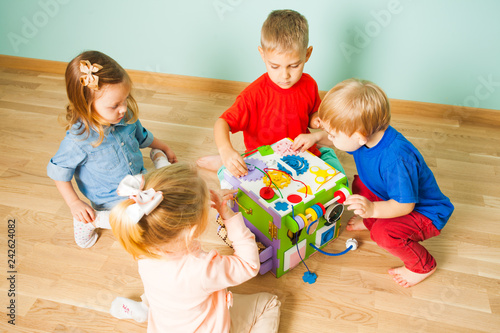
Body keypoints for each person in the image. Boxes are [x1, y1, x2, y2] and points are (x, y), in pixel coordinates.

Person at [108, 163, 281, 333]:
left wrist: (201, 199)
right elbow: (249, 265)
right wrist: (229, 215)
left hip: (165, 324)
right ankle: (144, 308)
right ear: (191, 231)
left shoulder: (144, 246)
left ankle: (144, 309)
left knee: (166, 294)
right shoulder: (202, 268)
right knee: (269, 302)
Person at [318, 78, 454, 287]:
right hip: (389, 195)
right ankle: (372, 220)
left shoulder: (396, 159)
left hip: (424, 213)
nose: (330, 138)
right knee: (359, 186)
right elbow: (340, 138)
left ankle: (423, 266)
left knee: (384, 234)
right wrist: (314, 138)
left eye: (333, 134)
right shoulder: (365, 133)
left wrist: (372, 209)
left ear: (359, 137)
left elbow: (405, 206)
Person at [47, 50, 177, 248]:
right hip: (109, 200)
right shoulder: (78, 140)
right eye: (115, 105)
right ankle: (89, 222)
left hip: (138, 181)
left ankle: (158, 160)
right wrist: (75, 203)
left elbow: (141, 135)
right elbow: (59, 174)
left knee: (167, 198)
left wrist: (163, 147)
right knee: (140, 228)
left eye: (125, 99)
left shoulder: (124, 116)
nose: (123, 108)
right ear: (86, 106)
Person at [197, 9, 345, 182]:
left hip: (300, 154)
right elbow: (222, 123)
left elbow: (312, 114)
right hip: (264, 161)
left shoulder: (309, 84)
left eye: (294, 65)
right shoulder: (253, 95)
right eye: (275, 66)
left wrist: (317, 119)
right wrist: (226, 150)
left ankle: (234, 160)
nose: (285, 75)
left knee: (338, 179)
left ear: (307, 54)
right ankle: (225, 161)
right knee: (235, 184)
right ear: (263, 55)